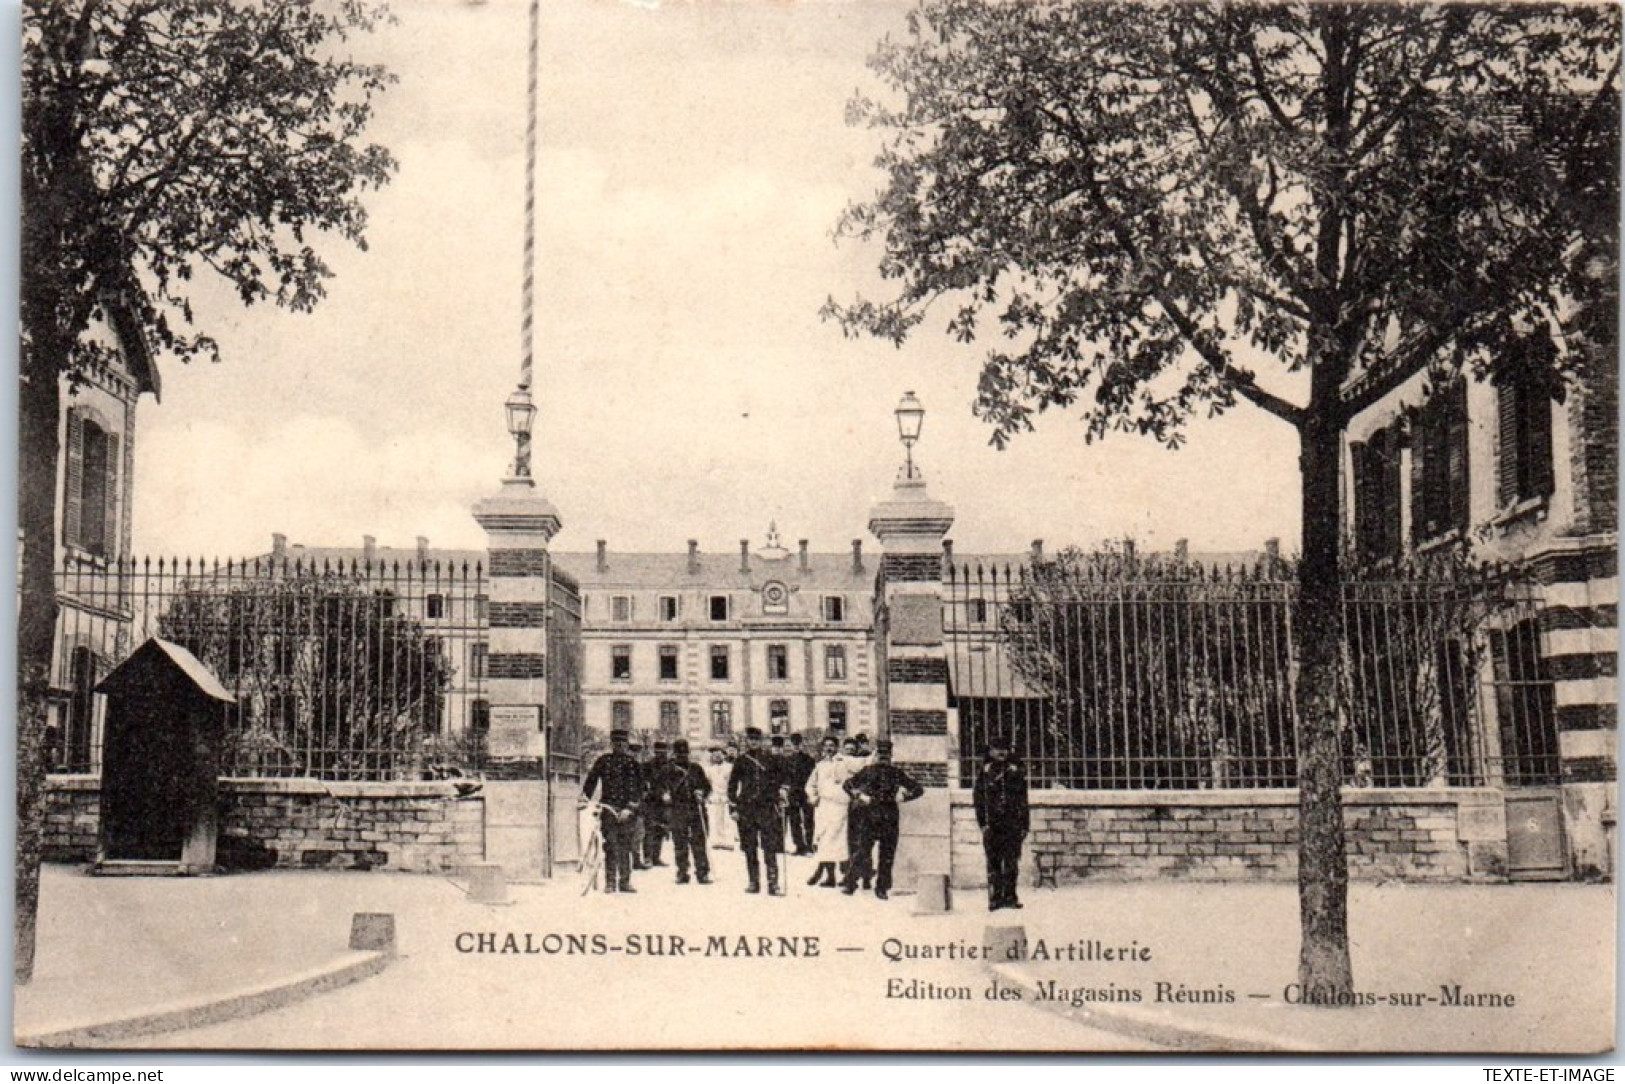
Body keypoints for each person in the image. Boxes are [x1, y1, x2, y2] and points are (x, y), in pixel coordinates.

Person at [842, 738, 923, 901]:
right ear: (876, 754)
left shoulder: (896, 773)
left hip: (889, 816)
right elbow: (847, 785)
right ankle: (851, 883)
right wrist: (859, 796)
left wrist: (903, 797)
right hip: (869, 816)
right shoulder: (867, 771)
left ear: (891, 755)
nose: (884, 757)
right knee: (862, 852)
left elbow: (918, 789)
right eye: (881, 753)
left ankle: (882, 888)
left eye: (887, 754)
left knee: (887, 855)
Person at [579, 730, 643, 893]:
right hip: (608, 809)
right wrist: (585, 797)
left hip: (627, 810)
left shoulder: (633, 764)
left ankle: (625, 882)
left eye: (622, 743)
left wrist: (630, 808)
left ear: (627, 745)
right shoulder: (603, 761)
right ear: (612, 744)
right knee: (610, 845)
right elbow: (591, 780)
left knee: (625, 846)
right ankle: (610, 882)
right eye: (616, 743)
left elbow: (640, 789)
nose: (619, 746)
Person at [972, 733, 1030, 911]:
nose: (1001, 752)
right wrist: (983, 824)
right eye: (997, 749)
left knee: (1011, 863)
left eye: (1004, 749)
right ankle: (995, 898)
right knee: (994, 863)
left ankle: (1010, 897)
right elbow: (978, 801)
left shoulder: (1015, 772)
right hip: (993, 825)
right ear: (990, 752)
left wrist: (1025, 825)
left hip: (1012, 825)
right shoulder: (986, 773)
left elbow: (1023, 801)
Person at [728, 727, 788, 895]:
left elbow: (782, 779)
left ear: (761, 741)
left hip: (767, 808)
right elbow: (732, 785)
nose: (753, 742)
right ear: (747, 741)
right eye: (750, 739)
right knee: (749, 847)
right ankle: (753, 882)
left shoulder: (771, 759)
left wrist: (782, 792)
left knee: (770, 846)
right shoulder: (740, 761)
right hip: (746, 809)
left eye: (756, 739)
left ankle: (773, 883)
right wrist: (733, 808)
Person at [655, 739, 713, 885]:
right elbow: (657, 787)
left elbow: (707, 786)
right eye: (679, 753)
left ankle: (702, 873)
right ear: (674, 754)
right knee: (680, 842)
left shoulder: (696, 769)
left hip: (695, 809)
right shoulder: (666, 770)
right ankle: (682, 872)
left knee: (699, 842)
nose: (682, 756)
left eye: (684, 753)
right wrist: (663, 794)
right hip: (677, 809)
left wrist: (702, 792)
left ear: (689, 753)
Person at [804, 735, 849, 888]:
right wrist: (813, 797)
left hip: (840, 807)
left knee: (839, 841)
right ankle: (830, 877)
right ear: (823, 748)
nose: (829, 748)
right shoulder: (820, 765)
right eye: (826, 746)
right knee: (823, 840)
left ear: (837, 747)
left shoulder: (844, 763)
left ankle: (846, 876)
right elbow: (810, 785)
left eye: (832, 745)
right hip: (824, 807)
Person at [840, 735, 871, 889]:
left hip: (858, 807)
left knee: (861, 842)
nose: (850, 753)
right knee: (846, 843)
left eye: (853, 750)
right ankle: (848, 874)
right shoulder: (838, 763)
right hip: (842, 807)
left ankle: (865, 876)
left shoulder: (863, 765)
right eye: (848, 750)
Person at [784, 733, 817, 856]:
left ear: (802, 744)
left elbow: (813, 777)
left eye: (798, 744)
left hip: (806, 793)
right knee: (794, 821)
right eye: (794, 744)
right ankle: (799, 846)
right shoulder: (787, 760)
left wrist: (812, 793)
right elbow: (785, 778)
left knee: (808, 820)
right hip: (793, 794)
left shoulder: (809, 760)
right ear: (791, 745)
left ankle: (809, 845)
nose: (796, 746)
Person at [642, 739, 671, 868]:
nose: (661, 755)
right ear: (655, 752)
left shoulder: (670, 766)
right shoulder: (648, 766)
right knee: (649, 829)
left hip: (665, 803)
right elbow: (643, 783)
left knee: (662, 828)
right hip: (651, 802)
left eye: (663, 753)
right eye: (659, 753)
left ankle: (656, 857)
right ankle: (647, 857)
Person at [703, 746, 736, 850]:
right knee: (715, 819)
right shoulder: (709, 769)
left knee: (727, 820)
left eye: (719, 754)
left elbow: (733, 783)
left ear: (723, 754)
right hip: (714, 797)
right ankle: (717, 841)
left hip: (726, 796)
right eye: (714, 755)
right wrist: (708, 796)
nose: (717, 756)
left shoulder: (730, 767)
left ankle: (728, 841)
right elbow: (707, 784)